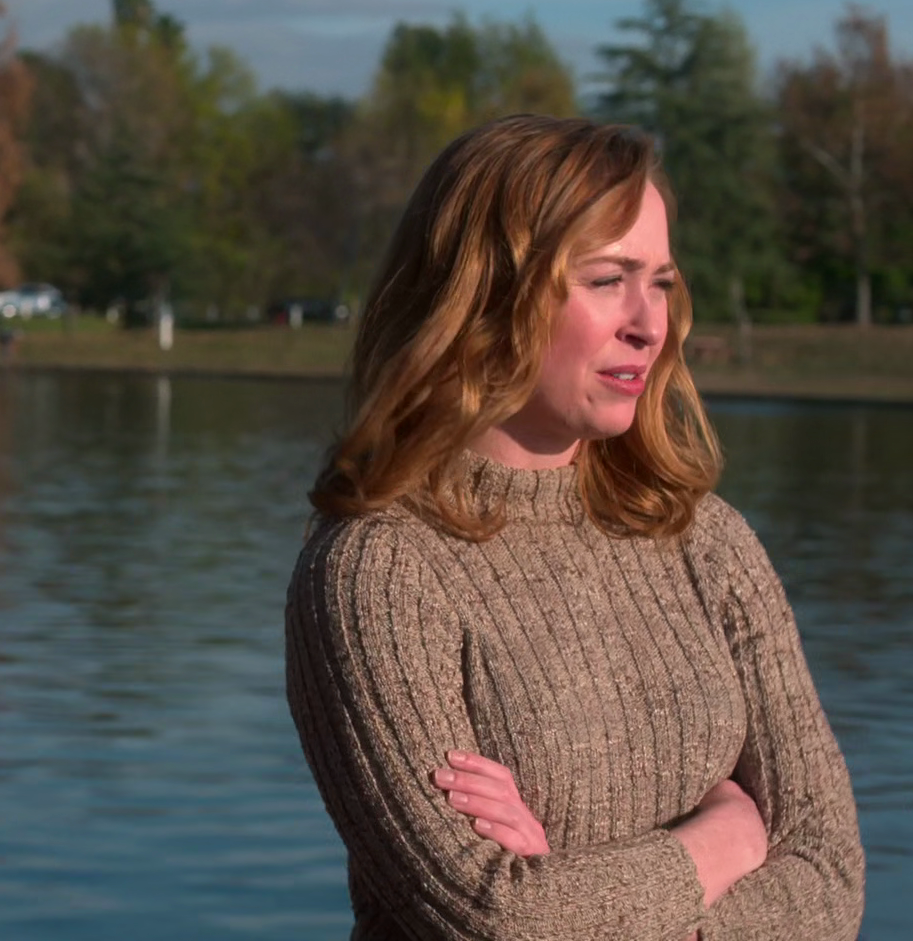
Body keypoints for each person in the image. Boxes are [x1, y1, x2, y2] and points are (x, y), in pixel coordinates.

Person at [285, 115, 864, 940]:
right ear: (488, 296)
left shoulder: (706, 542)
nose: (648, 323)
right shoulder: (377, 572)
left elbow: (830, 876)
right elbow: (498, 916)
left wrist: (578, 900)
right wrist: (722, 841)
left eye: (660, 282)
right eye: (607, 279)